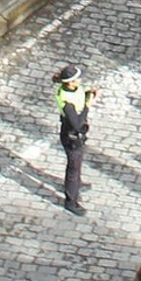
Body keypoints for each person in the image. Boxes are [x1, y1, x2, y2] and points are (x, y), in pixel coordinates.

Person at [55, 66, 94, 212]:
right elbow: (77, 124)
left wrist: (89, 94)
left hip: (77, 135)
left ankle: (77, 183)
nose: (80, 80)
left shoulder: (73, 89)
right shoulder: (67, 102)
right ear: (70, 82)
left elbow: (80, 95)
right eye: (77, 79)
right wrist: (87, 107)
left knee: (77, 164)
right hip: (71, 136)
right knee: (73, 168)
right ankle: (71, 201)